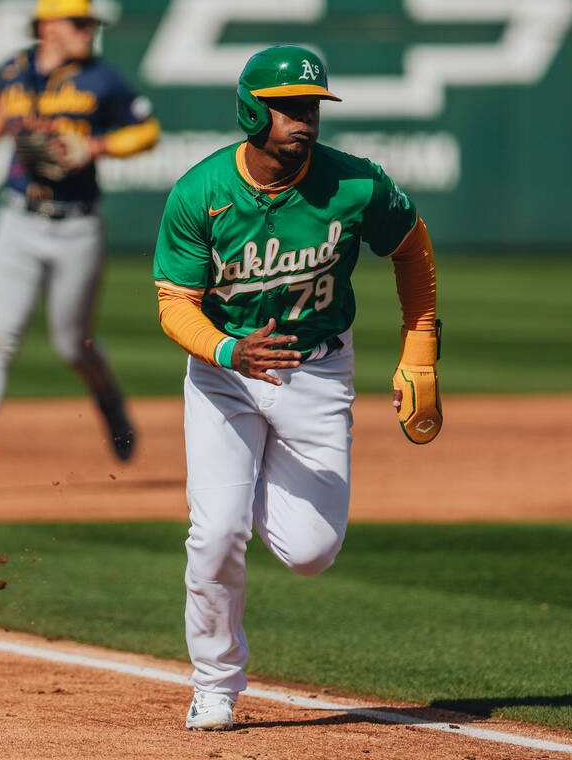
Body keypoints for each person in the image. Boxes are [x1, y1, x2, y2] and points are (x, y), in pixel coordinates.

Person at [152, 45, 442, 730]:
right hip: (225, 373)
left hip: (317, 368)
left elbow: (411, 247)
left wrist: (420, 346)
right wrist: (227, 349)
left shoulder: (355, 185)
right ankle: (216, 683)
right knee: (216, 531)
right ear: (253, 110)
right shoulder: (200, 193)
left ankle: (244, 482)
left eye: (310, 106)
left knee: (311, 553)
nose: (302, 120)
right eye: (286, 107)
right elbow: (173, 304)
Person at [0, 0, 160, 490]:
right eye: (79, 22)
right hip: (18, 220)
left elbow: (147, 130)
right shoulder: (14, 71)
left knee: (74, 346)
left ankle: (110, 403)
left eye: (90, 23)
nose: (87, 31)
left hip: (76, 225)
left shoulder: (102, 80)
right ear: (47, 25)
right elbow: (0, 108)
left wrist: (95, 148)